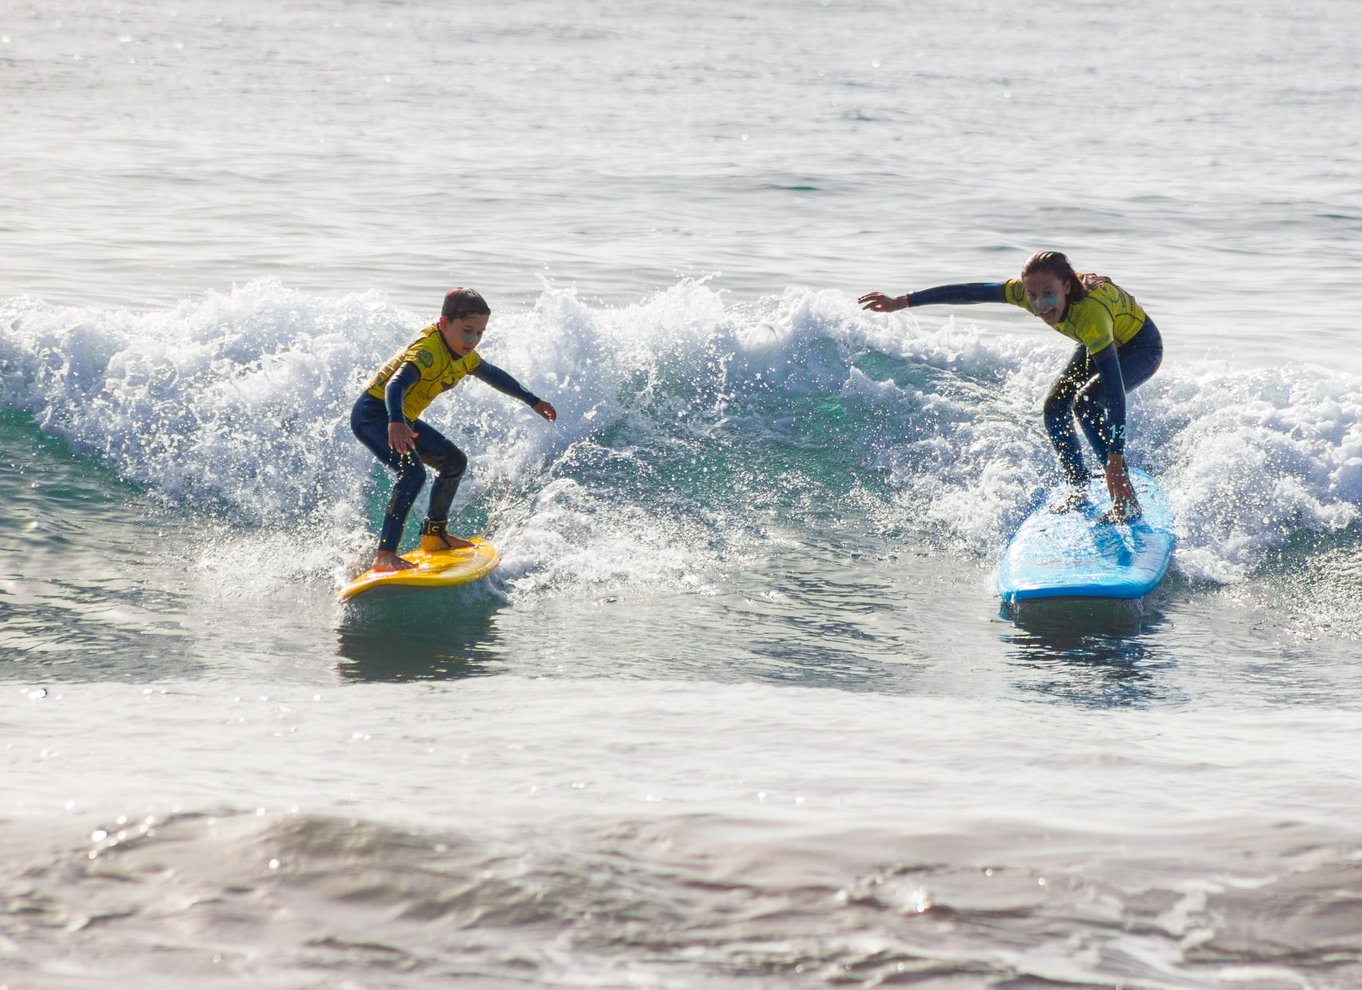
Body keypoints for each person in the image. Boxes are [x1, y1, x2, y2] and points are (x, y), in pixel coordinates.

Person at [858, 250, 1162, 522]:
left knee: (1087, 403)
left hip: (1141, 346)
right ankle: (1079, 487)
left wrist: (1115, 458)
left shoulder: (1091, 316)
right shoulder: (1026, 293)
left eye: (1049, 294)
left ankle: (1124, 497)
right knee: (1054, 407)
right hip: (1098, 342)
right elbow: (969, 293)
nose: (1041, 305)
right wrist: (904, 301)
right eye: (1033, 296)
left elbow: (1113, 392)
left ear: (1067, 286)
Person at [350, 287, 557, 572]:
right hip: (374, 414)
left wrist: (532, 400)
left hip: (399, 417)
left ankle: (434, 535)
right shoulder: (427, 351)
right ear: (445, 324)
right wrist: (395, 421)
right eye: (467, 331)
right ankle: (384, 555)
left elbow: (493, 374)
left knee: (453, 462)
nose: (473, 341)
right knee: (411, 474)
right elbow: (395, 384)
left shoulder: (463, 354)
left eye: (480, 334)